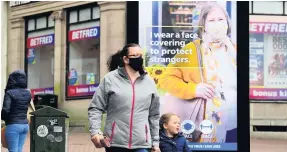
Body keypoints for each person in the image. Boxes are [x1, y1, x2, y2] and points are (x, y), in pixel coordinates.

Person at [158, 3, 237, 143]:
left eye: (221, 20)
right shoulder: (192, 50)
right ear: (204, 26)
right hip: (204, 127)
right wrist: (193, 89)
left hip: (235, 124)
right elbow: (165, 79)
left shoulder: (235, 51)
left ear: (227, 23)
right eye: (212, 21)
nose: (217, 24)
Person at [88, 43, 161, 152]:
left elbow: (154, 115)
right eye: (136, 56)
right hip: (115, 143)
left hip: (141, 144)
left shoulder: (149, 82)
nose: (139, 59)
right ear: (126, 59)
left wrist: (155, 142)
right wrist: (95, 131)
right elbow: (96, 108)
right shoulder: (110, 79)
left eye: (141, 55)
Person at [1, 70, 32, 152]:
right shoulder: (28, 93)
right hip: (25, 125)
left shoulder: (9, 93)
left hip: (13, 125)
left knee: (13, 150)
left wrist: (4, 119)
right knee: (19, 150)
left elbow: (5, 110)